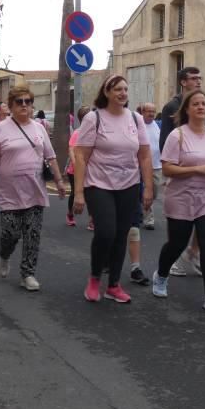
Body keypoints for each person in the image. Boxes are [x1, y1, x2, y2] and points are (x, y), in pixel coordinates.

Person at [73, 75, 153, 304]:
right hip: (99, 184)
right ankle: (95, 278)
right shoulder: (93, 118)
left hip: (128, 184)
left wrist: (148, 188)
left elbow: (145, 155)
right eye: (117, 89)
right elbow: (81, 156)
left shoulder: (136, 119)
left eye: (125, 89)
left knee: (121, 235)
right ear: (107, 92)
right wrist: (78, 193)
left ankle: (114, 285)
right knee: (106, 232)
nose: (123, 93)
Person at [151, 90, 205, 314]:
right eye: (196, 104)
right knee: (177, 243)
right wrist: (198, 169)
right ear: (187, 109)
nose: (201, 107)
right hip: (181, 197)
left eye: (204, 103)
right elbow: (167, 168)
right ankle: (162, 274)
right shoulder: (178, 135)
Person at [0, 86, 65, 292]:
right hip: (9, 192)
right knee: (10, 232)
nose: (24, 105)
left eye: (28, 101)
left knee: (33, 233)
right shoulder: (0, 129)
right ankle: (4, 255)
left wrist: (59, 180)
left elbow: (50, 156)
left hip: (35, 190)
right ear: (10, 106)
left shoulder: (39, 129)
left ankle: (27, 273)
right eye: (19, 102)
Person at [159, 66, 203, 277]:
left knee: (203, 217)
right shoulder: (171, 107)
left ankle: (192, 252)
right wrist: (172, 169)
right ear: (183, 82)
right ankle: (174, 258)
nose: (198, 81)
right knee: (177, 218)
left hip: (200, 169)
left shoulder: (201, 104)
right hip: (177, 169)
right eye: (194, 78)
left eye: (199, 78)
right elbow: (165, 141)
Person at [66, 105, 91, 227]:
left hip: (90, 170)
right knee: (75, 193)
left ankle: (92, 219)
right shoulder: (77, 133)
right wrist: (77, 166)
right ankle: (70, 214)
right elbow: (71, 150)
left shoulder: (94, 132)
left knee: (91, 194)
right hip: (74, 170)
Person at [140, 102, 162, 230]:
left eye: (153, 111)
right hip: (140, 166)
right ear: (143, 112)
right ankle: (149, 220)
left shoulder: (159, 125)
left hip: (156, 165)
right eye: (149, 111)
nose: (151, 114)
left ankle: (143, 208)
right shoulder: (138, 126)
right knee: (141, 191)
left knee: (153, 193)